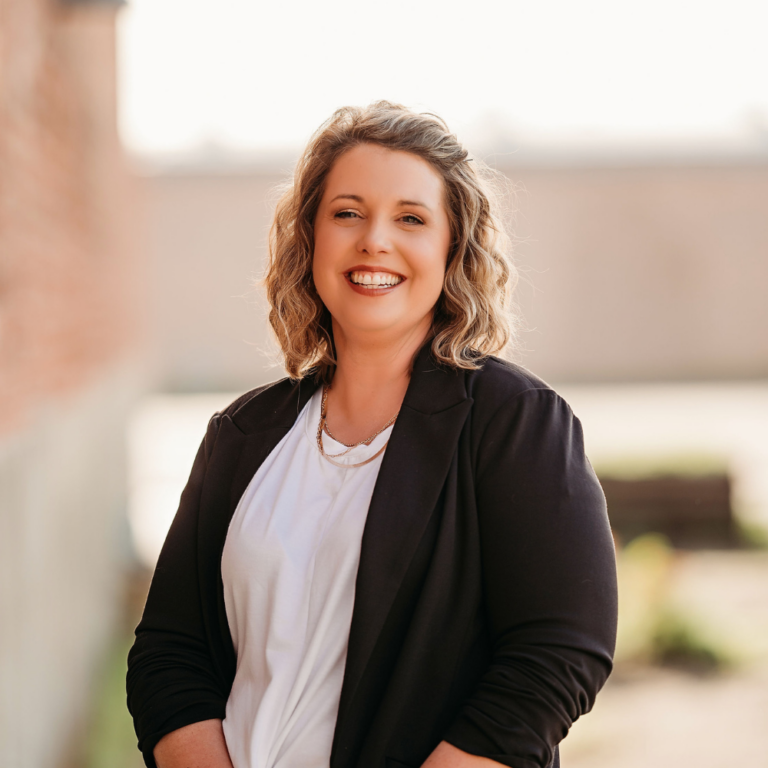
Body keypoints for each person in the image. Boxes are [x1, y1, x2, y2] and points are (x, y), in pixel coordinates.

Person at [127, 101, 618, 768]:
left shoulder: (516, 422)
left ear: (452, 249)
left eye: (411, 219)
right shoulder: (242, 436)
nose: (374, 241)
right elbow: (169, 655)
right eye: (347, 213)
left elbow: (557, 655)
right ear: (311, 237)